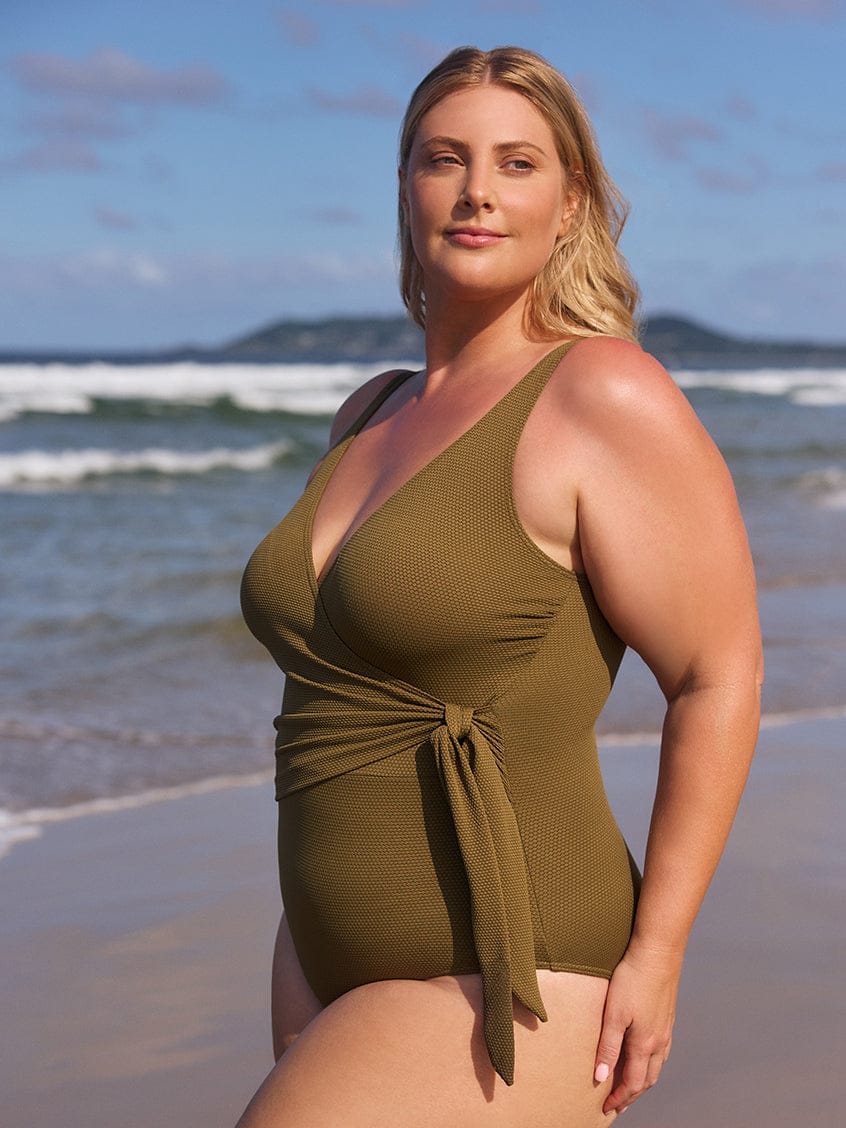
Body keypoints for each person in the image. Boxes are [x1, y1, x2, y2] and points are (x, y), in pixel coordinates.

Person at [237, 45, 762, 1127]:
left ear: (570, 206)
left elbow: (718, 673)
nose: (477, 189)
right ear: (405, 189)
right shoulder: (369, 412)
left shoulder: (601, 392)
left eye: (517, 163)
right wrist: (305, 935)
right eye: (444, 158)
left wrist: (657, 954)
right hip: (324, 957)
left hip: (508, 968)